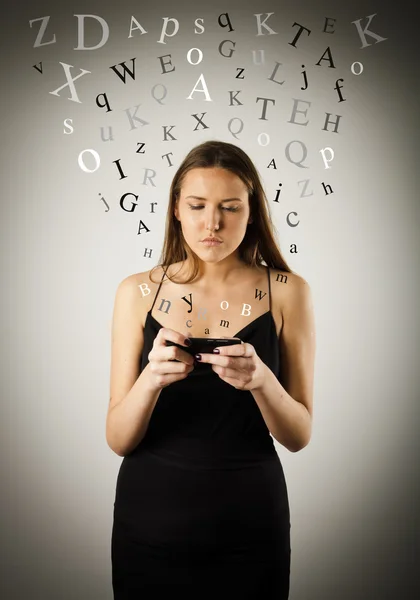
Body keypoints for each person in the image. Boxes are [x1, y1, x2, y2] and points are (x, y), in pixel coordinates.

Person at [107, 140, 316, 598]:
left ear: (252, 211)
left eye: (230, 207)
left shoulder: (287, 292)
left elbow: (299, 435)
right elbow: (118, 438)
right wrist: (151, 380)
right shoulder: (136, 292)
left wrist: (262, 382)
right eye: (197, 205)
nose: (212, 223)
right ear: (176, 209)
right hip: (149, 522)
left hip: (251, 525)